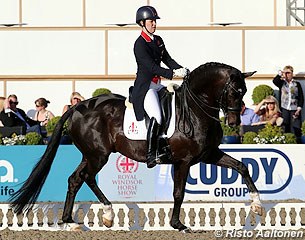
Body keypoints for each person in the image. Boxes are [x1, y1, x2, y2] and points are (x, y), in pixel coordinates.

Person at [132, 6, 188, 168]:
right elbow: (152, 68)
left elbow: (168, 59)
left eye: (155, 21)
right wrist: (172, 74)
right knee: (157, 116)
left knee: (174, 107)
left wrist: (181, 69)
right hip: (145, 88)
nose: (154, 24)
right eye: (151, 21)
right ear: (142, 23)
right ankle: (151, 154)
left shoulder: (158, 40)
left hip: (158, 85)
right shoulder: (139, 44)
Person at [273, 65, 304, 137]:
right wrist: (280, 74)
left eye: (289, 73)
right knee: (285, 127)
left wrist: (298, 109)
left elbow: (301, 97)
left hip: (295, 109)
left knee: (296, 128)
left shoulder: (297, 84)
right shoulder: (282, 83)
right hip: (284, 109)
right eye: (286, 73)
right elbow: (275, 81)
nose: (287, 75)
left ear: (292, 73)